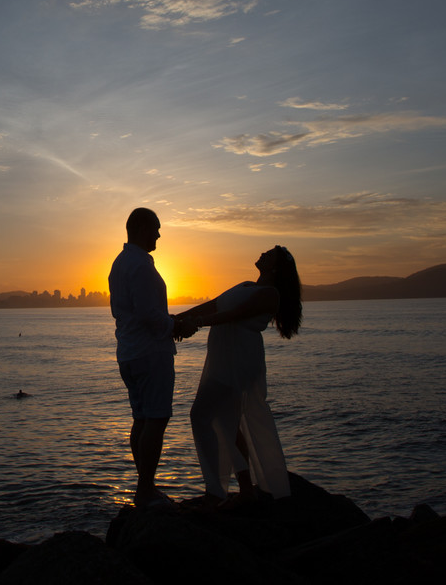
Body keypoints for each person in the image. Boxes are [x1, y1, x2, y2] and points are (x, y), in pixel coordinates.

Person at [175, 245, 302, 503]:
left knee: (201, 415)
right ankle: (244, 489)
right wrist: (177, 318)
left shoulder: (270, 294)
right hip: (223, 359)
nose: (263, 253)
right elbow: (214, 305)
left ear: (275, 267)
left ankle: (215, 492)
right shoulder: (245, 285)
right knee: (226, 422)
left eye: (270, 253)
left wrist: (195, 323)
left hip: (238, 359)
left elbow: (234, 315)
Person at [109, 207, 186, 507]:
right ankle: (145, 490)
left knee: (141, 418)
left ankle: (146, 488)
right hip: (150, 353)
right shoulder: (140, 265)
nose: (159, 234)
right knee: (156, 418)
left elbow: (131, 311)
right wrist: (173, 326)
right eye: (156, 228)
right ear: (141, 228)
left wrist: (167, 323)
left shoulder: (120, 263)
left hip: (129, 352)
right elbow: (147, 314)